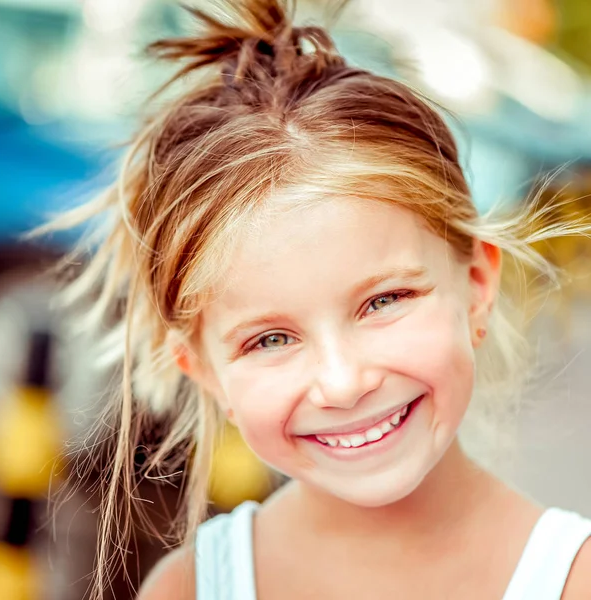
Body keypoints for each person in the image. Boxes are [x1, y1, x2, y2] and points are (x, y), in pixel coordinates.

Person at [45, 0, 591, 598]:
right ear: (203, 370)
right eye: (270, 339)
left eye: (384, 301)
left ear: (478, 286)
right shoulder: (190, 589)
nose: (343, 383)